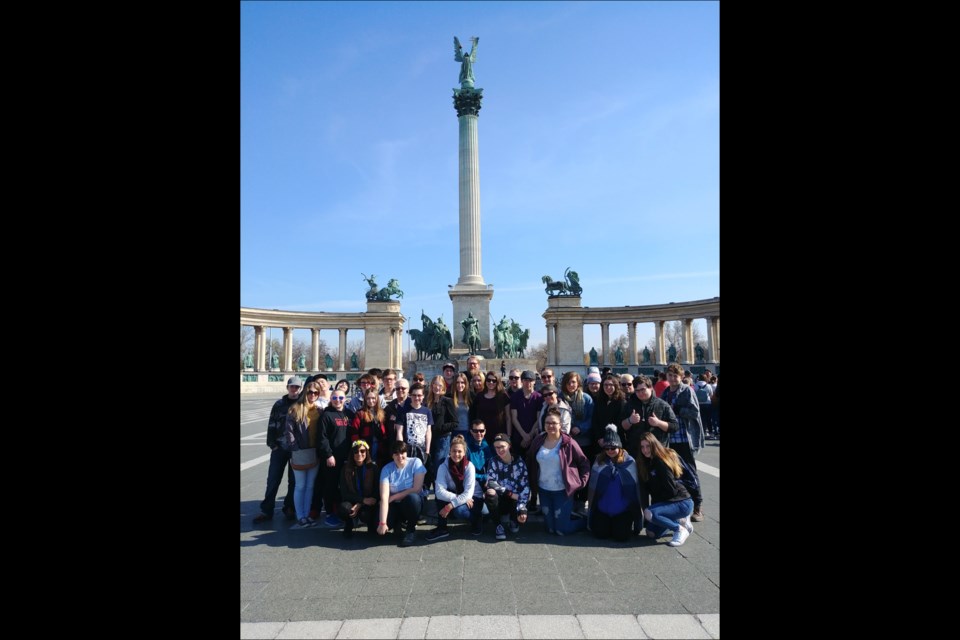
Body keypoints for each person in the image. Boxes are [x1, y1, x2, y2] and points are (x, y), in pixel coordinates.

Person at [527, 408, 590, 536]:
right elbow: (530, 460)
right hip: (544, 490)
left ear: (560, 425)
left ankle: (585, 521)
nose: (551, 426)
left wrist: (581, 482)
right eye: (547, 423)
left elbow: (584, 463)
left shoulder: (568, 442)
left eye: (554, 423)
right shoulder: (538, 440)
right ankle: (565, 516)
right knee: (550, 529)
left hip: (563, 491)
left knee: (562, 530)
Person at [659, 363, 705, 521]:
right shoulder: (665, 393)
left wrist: (679, 410)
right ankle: (682, 504)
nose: (672, 378)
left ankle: (698, 506)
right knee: (674, 472)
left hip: (684, 437)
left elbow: (695, 412)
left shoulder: (687, 390)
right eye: (670, 375)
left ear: (681, 377)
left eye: (675, 375)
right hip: (670, 439)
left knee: (690, 471)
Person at [252, 376, 301, 524]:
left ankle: (289, 507)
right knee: (273, 479)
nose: (294, 389)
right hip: (279, 447)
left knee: (293, 481)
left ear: (300, 389)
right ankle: (266, 510)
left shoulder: (302, 404)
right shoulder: (279, 404)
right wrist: (272, 444)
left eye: (297, 387)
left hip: (296, 449)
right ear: (287, 387)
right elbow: (272, 424)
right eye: (292, 387)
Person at [636, 432, 695, 547]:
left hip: (681, 502)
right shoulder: (645, 463)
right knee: (651, 533)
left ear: (654, 445)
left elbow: (670, 490)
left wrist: (655, 508)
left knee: (650, 513)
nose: (645, 450)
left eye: (648, 446)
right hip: (669, 502)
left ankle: (679, 529)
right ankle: (681, 522)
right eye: (642, 447)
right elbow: (645, 491)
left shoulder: (661, 462)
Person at [587, 426, 641, 542]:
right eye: (607, 448)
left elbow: (635, 491)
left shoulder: (629, 462)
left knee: (621, 537)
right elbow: (593, 488)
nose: (610, 450)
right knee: (600, 534)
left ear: (619, 447)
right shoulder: (599, 461)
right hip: (602, 508)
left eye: (613, 447)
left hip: (622, 510)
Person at [426, 434, 484, 541]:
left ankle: (476, 519)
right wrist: (458, 498)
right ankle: (442, 528)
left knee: (460, 511)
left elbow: (468, 494)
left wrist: (450, 506)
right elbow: (439, 492)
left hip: (474, 498)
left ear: (464, 452)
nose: (456, 454)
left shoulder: (469, 466)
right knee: (441, 497)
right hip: (459, 495)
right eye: (453, 451)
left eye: (459, 451)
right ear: (449, 451)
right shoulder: (443, 466)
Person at [282, 379, 323, 529]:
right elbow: (289, 432)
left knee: (310, 486)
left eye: (316, 392)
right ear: (305, 392)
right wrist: (295, 448)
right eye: (310, 392)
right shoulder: (295, 409)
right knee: (300, 485)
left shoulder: (319, 410)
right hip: (300, 452)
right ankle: (300, 516)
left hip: (314, 452)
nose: (313, 395)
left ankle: (306, 514)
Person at [377, 441, 426, 547]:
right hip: (394, 505)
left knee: (413, 499)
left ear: (406, 452)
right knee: (376, 527)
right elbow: (384, 497)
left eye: (402, 452)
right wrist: (382, 523)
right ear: (392, 456)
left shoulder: (415, 462)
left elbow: (417, 489)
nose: (400, 456)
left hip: (411, 503)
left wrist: (394, 496)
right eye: (396, 453)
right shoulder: (386, 469)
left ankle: (411, 530)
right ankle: (397, 523)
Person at [484, 433, 530, 540]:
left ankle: (514, 520)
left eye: (502, 446)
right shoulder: (493, 461)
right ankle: (498, 526)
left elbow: (525, 487)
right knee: (490, 492)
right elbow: (490, 482)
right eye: (496, 447)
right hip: (502, 498)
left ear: (509, 445)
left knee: (519, 513)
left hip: (514, 500)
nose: (499, 450)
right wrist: (508, 493)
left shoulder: (520, 462)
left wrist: (522, 509)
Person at [338, 440, 379, 538]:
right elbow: (344, 493)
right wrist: (360, 500)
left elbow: (377, 489)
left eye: (362, 451)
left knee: (366, 514)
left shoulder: (373, 468)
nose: (359, 454)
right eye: (356, 452)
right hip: (353, 500)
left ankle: (371, 525)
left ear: (367, 452)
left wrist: (361, 503)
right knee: (344, 508)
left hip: (368, 501)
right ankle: (349, 525)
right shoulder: (345, 469)